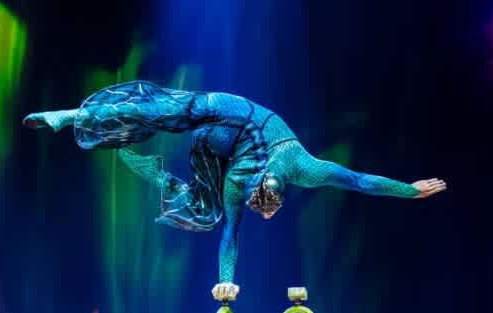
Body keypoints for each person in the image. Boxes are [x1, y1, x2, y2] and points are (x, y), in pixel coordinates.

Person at [24, 81, 447, 300]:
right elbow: (358, 180)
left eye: (259, 204)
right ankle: (70, 114)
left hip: (215, 147)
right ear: (270, 190)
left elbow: (231, 236)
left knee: (206, 212)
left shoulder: (236, 186)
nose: (258, 202)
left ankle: (151, 172)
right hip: (239, 114)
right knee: (168, 110)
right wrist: (409, 190)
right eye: (263, 202)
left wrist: (227, 284)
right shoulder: (304, 166)